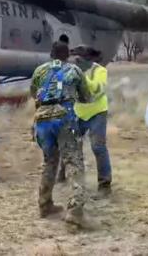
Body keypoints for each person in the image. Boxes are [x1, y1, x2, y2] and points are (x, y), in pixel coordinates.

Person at [31, 41, 91, 227]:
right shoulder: (74, 70)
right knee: (73, 161)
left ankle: (44, 203)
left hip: (42, 119)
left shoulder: (40, 70)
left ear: (51, 53)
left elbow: (34, 93)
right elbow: (86, 97)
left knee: (49, 161)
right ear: (68, 55)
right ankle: (75, 211)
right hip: (65, 117)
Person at [72, 45, 112, 196]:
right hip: (79, 112)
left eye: (77, 59)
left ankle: (105, 185)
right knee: (71, 145)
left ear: (86, 59)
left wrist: (82, 76)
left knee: (98, 147)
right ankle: (69, 178)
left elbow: (96, 89)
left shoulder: (100, 71)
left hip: (97, 112)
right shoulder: (72, 70)